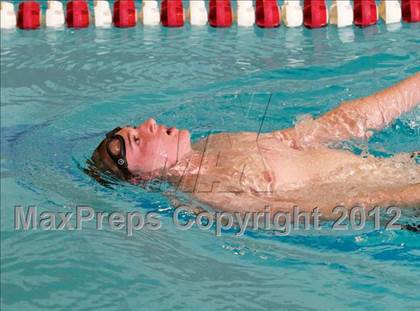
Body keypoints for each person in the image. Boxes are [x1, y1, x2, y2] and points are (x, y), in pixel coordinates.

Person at [88, 73, 420, 218]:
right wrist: (410, 196)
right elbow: (332, 210)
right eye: (137, 139)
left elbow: (332, 127)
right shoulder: (212, 198)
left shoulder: (217, 143)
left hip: (405, 168)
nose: (149, 124)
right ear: (141, 177)